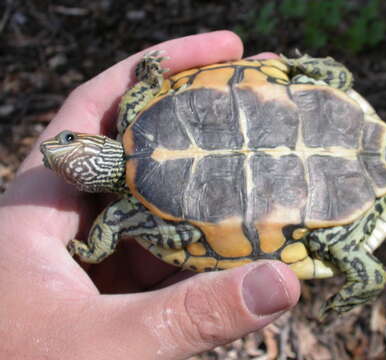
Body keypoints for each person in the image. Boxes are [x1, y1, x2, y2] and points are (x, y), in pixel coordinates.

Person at [0, 31, 300, 359]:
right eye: (57, 162)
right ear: (83, 183)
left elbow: (104, 238)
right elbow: (104, 239)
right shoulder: (123, 189)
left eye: (70, 138)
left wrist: (91, 251)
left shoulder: (122, 195)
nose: (60, 150)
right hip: (249, 202)